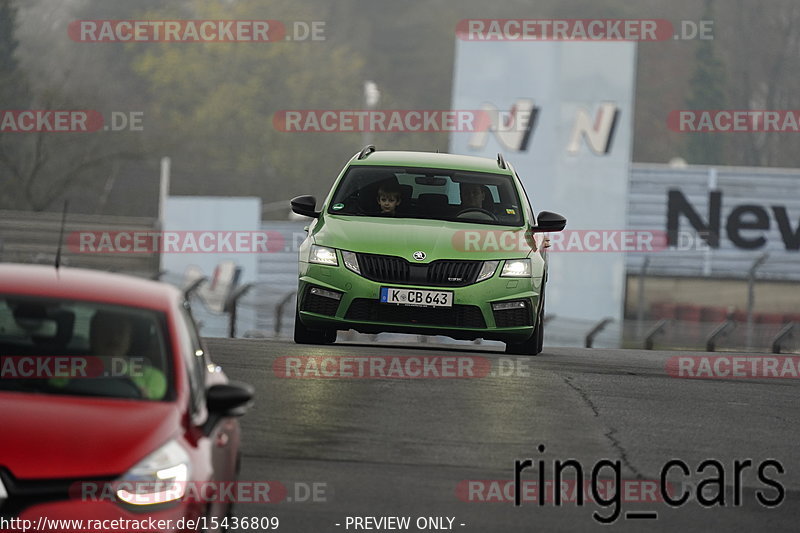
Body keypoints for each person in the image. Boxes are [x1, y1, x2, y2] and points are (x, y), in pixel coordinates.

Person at [89, 311, 167, 400]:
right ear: (92, 334)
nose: (114, 337)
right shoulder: (73, 371)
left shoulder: (152, 378)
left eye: (120, 330)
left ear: (130, 338)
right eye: (105, 329)